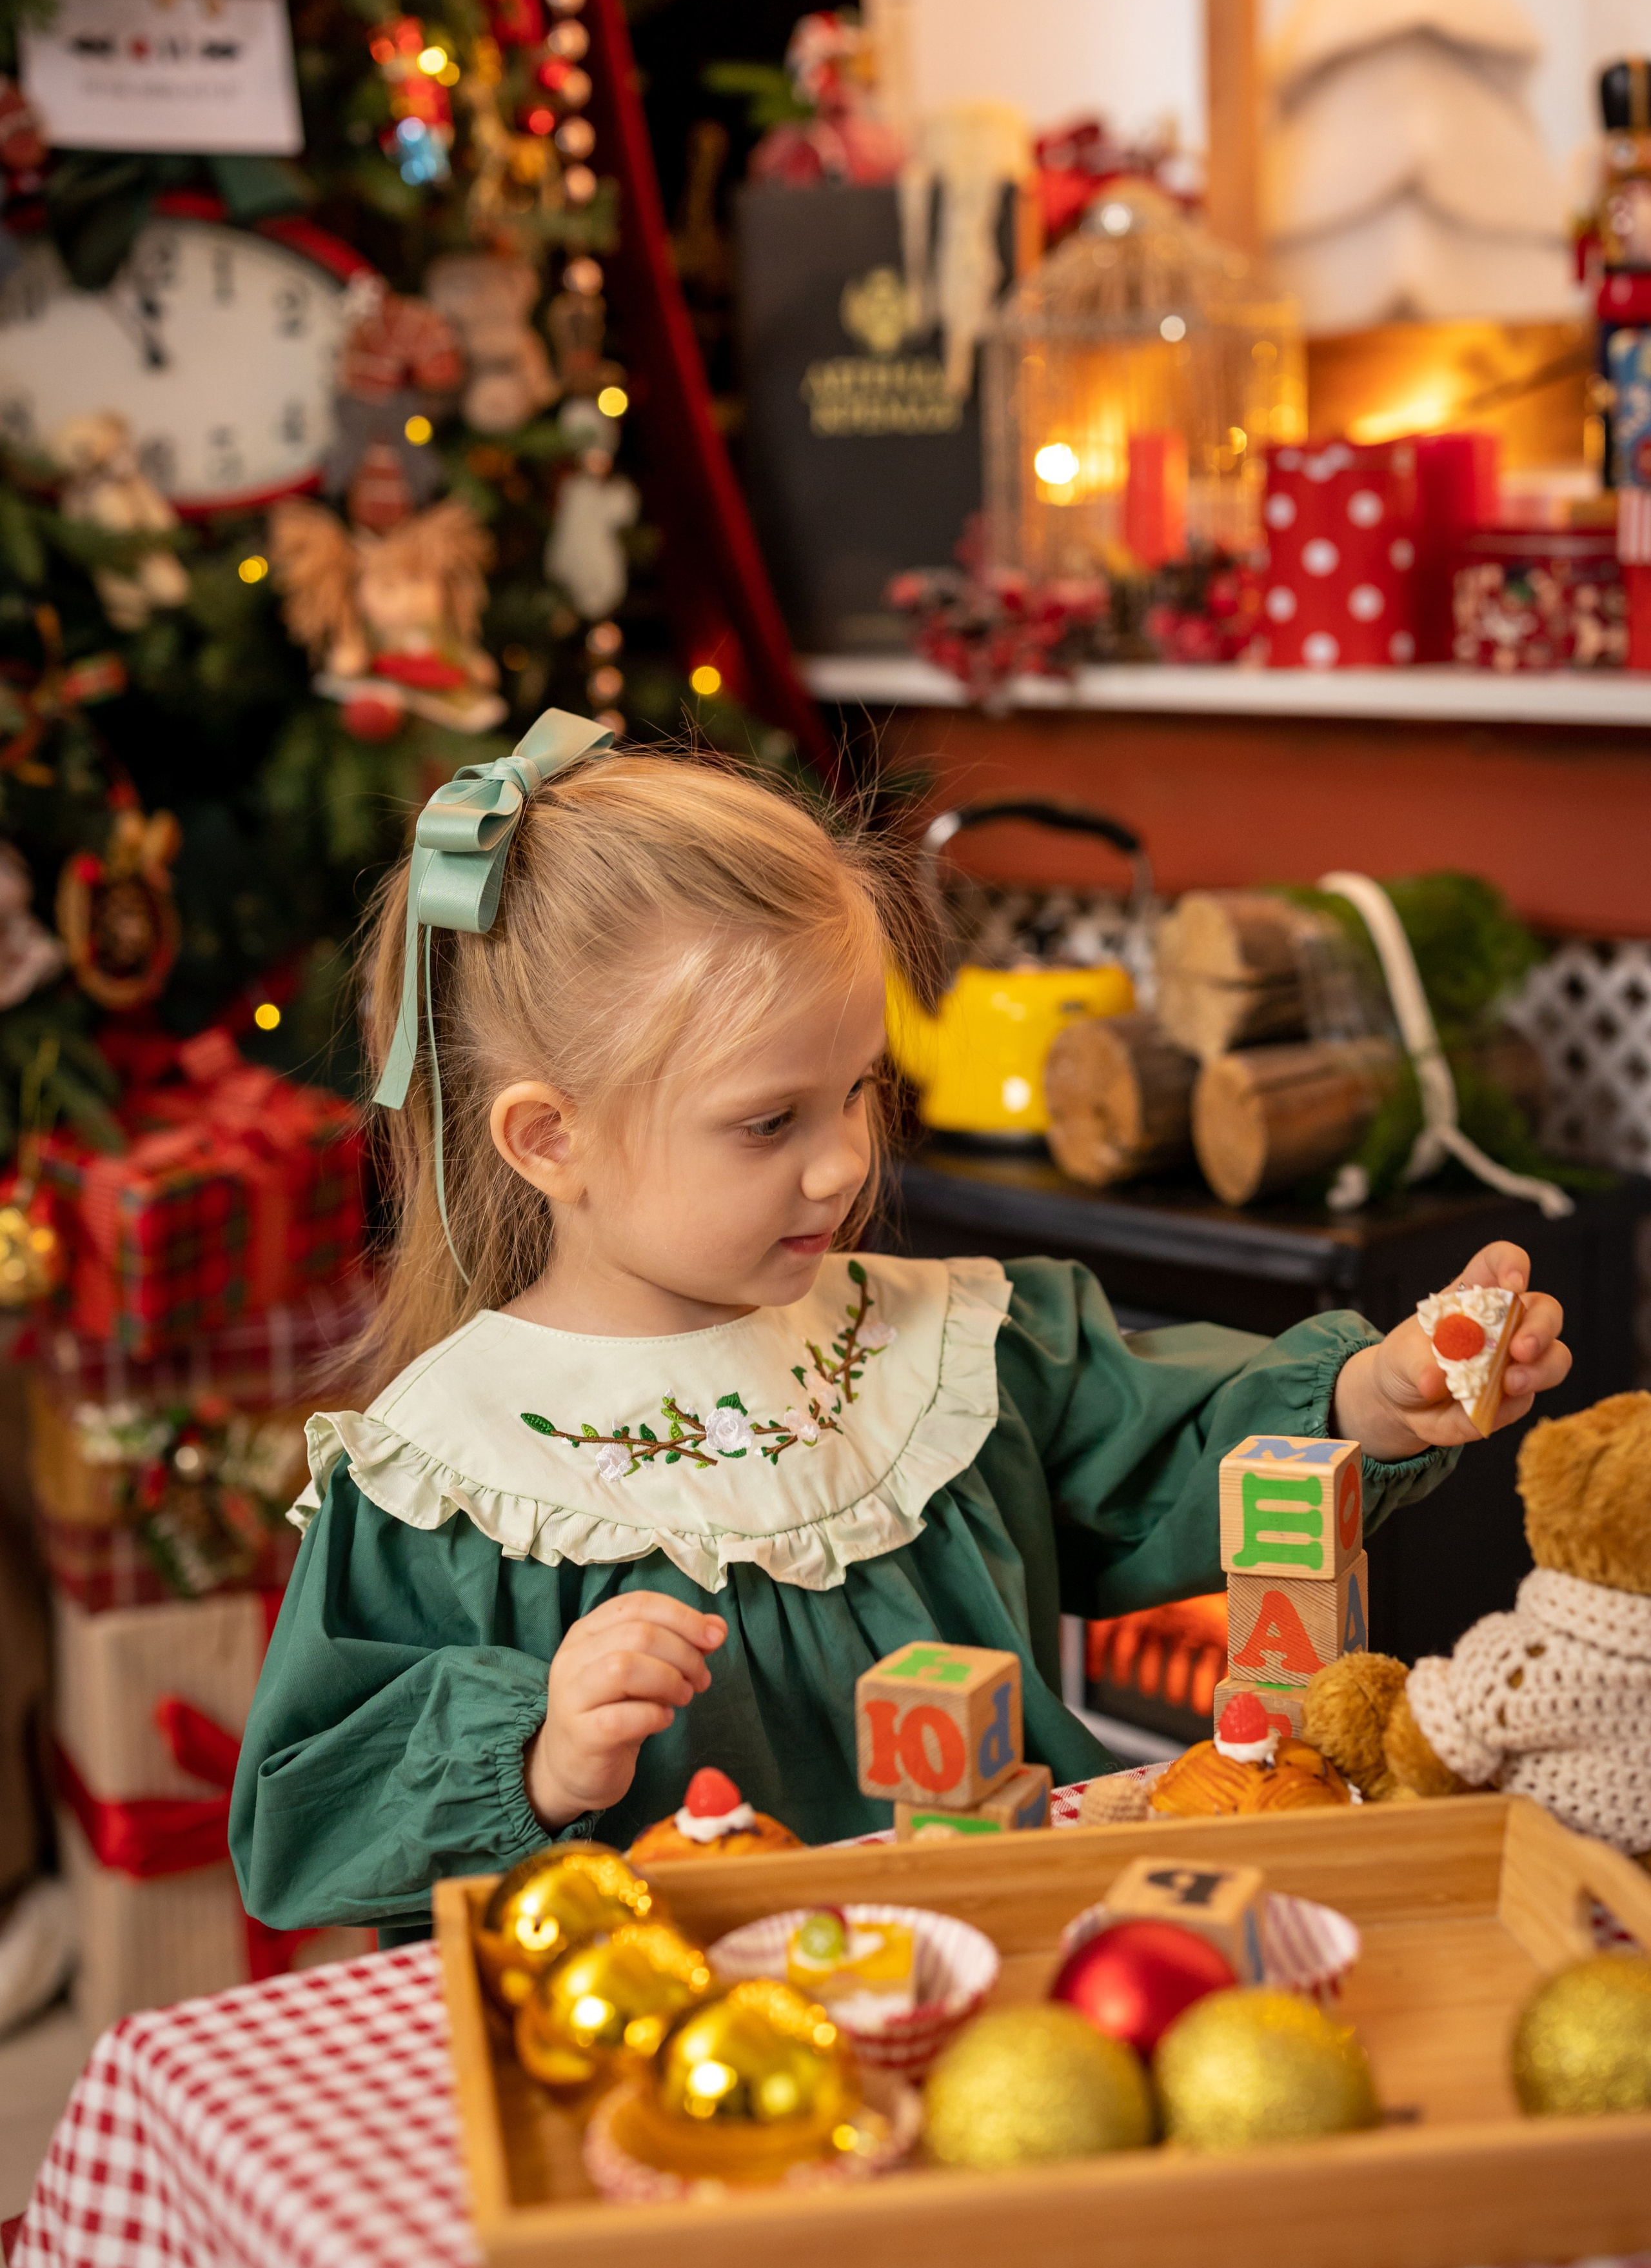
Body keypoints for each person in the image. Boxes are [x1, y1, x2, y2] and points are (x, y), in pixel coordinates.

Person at [229, 715, 1571, 1942]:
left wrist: (1369, 1402)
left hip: (1015, 1960)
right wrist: (535, 1753)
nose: (842, 1165)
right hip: (679, 2039)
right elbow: (301, 1825)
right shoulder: (451, 1471)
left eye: (857, 1091)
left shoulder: (940, 1349)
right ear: (548, 1139)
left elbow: (1165, 1441)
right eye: (769, 1123)